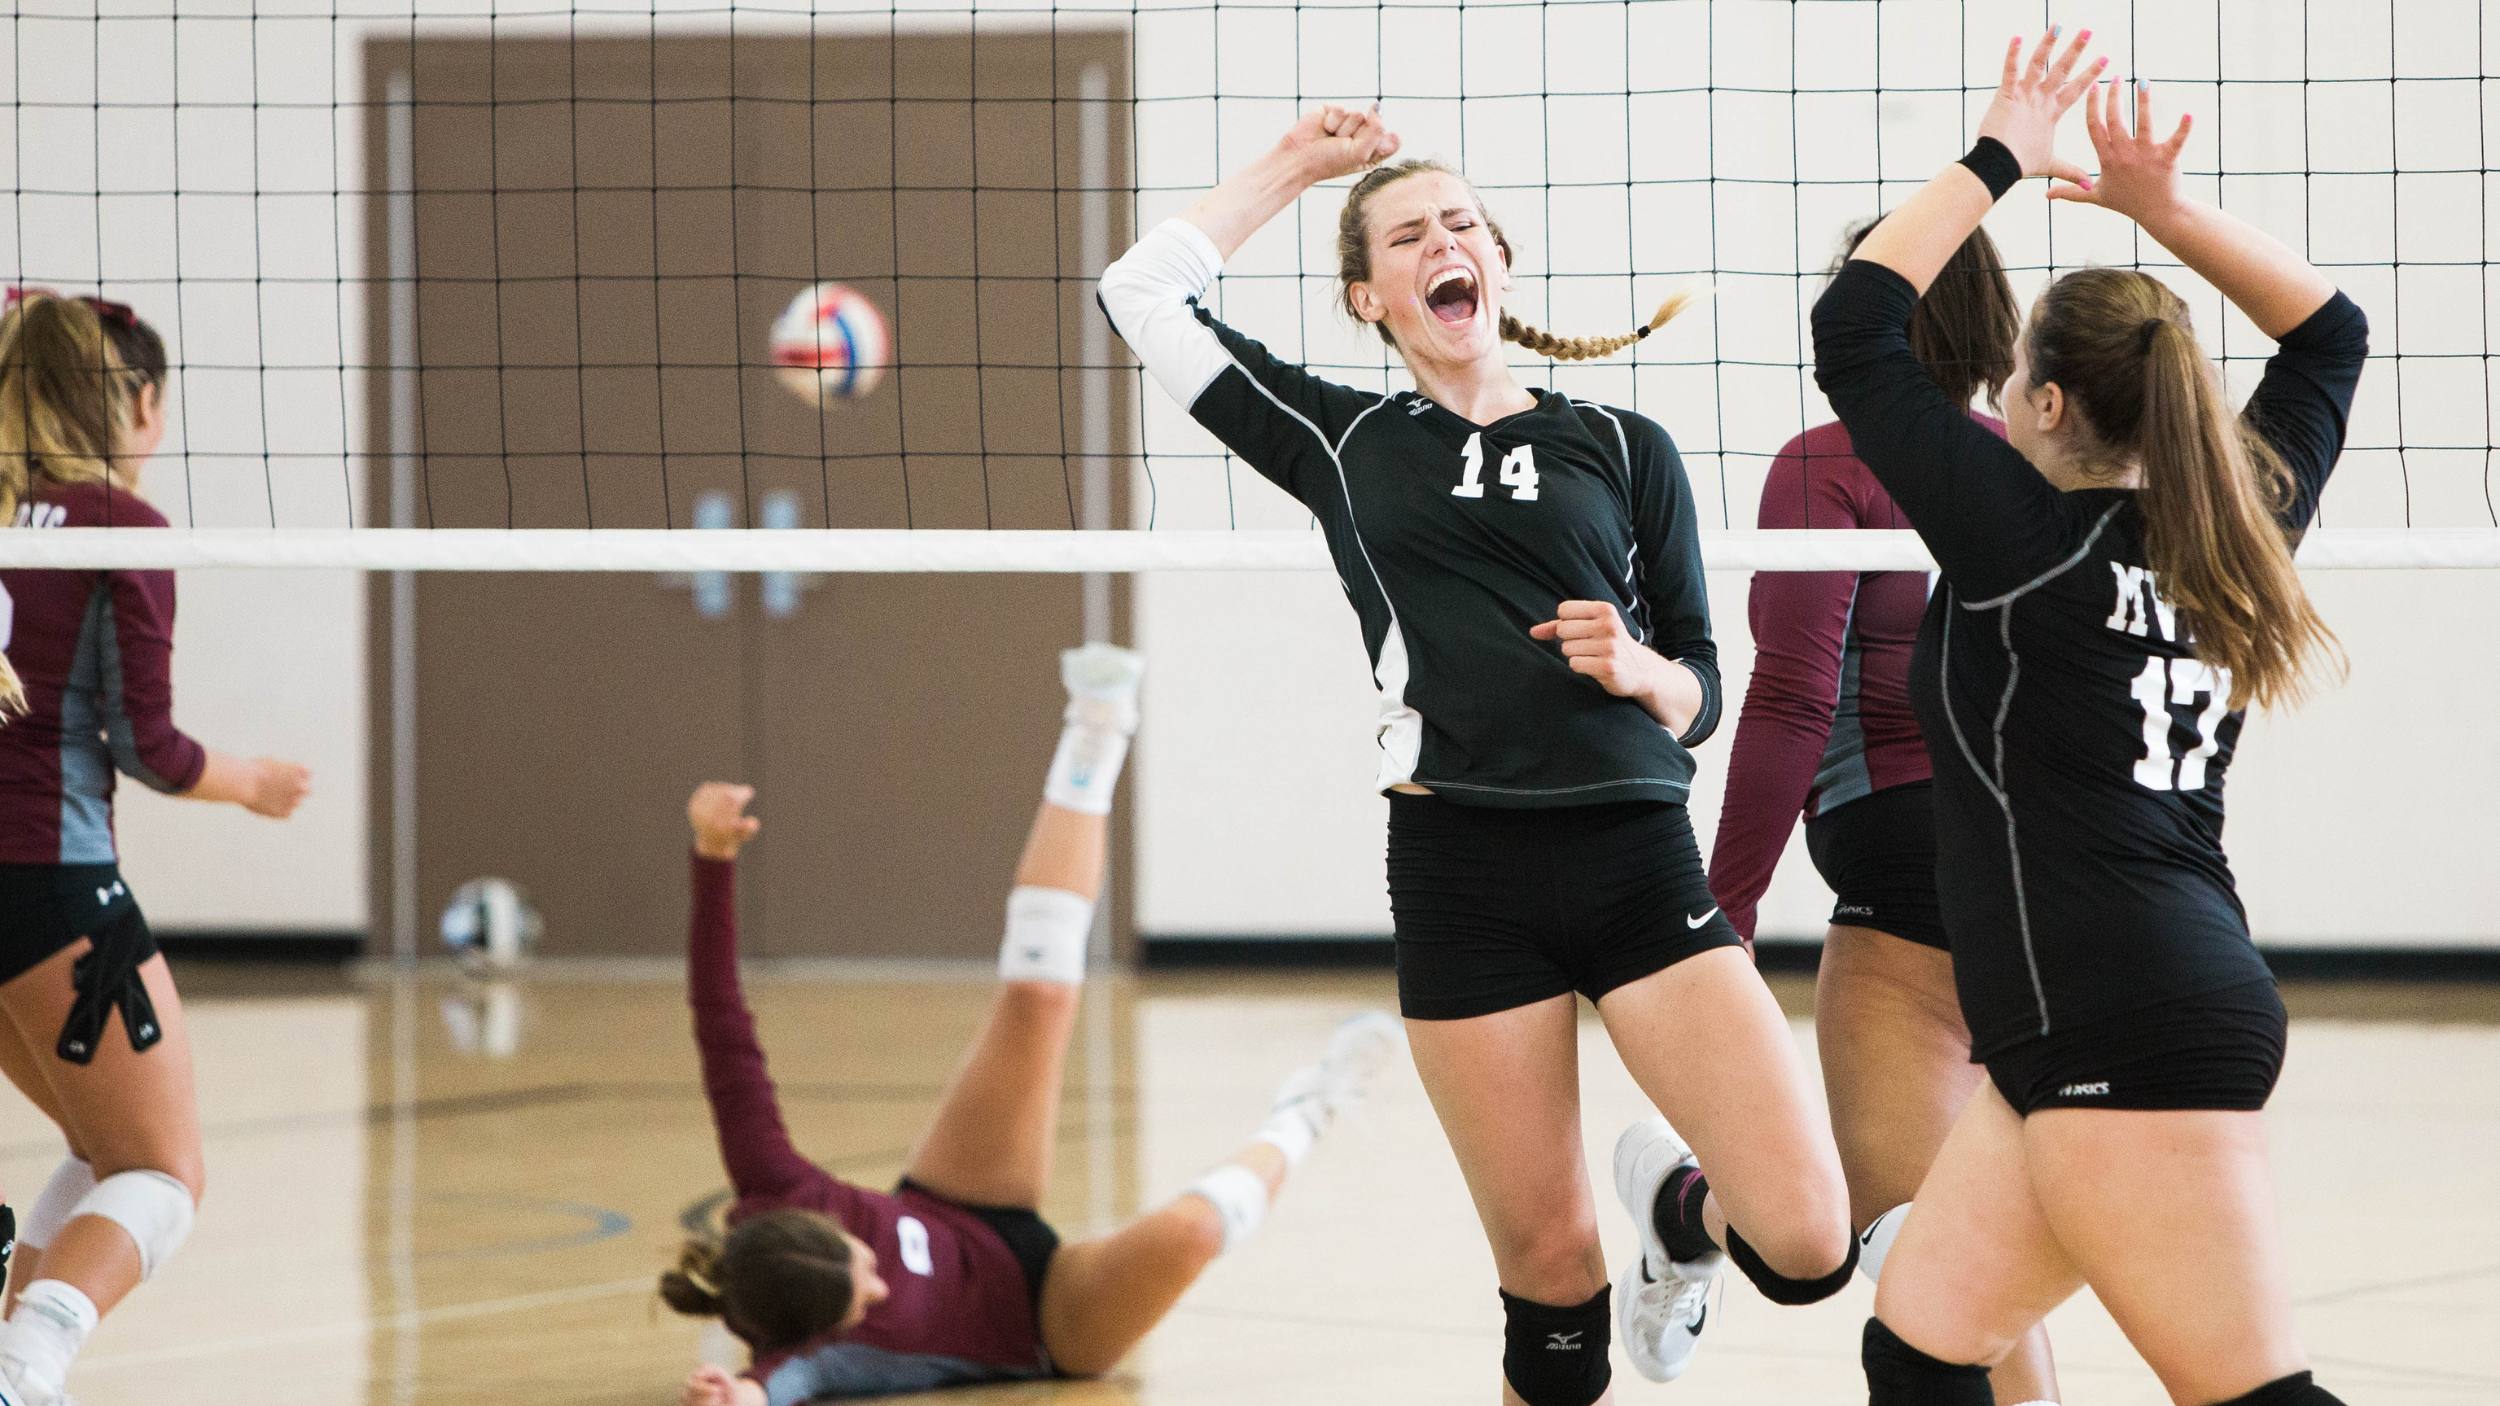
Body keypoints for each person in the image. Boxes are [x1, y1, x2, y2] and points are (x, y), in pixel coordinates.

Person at [1098, 107, 1855, 1404]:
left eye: (1461, 223)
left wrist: (1642, 667)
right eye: (1407, 234)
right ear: (1369, 295)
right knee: (1552, 1290)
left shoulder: (1623, 446)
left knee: (1806, 1242)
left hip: (1633, 853)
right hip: (1462, 870)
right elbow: (1140, 291)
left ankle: (1680, 1215)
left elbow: (1706, 693)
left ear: (1498, 262)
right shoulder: (1342, 441)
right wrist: (1300, 166)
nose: (1442, 242)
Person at [1811, 32, 2366, 1406]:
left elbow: (1855, 324)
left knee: (2250, 1394)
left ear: (2049, 403)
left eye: (2013, 384)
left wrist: (2003, 148)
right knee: (1923, 1352)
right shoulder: (2237, 525)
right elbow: (2331, 334)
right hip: (2094, 1015)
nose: (1997, 401)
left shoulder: (2022, 540)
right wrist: (2158, 210)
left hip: (2122, 1016)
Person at [665, 644, 1399, 1406]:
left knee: (1038, 999)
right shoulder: (813, 1352)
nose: (880, 1284)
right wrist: (735, 1398)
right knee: (1191, 1233)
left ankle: (1098, 725)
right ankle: (1310, 1108)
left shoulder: (771, 1177)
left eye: (862, 1263)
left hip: (955, 1204)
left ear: (815, 1223)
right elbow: (772, 1386)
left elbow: (720, 1023)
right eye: (868, 1299)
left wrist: (712, 859)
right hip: (1047, 1320)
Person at [1708, 223, 2060, 1402]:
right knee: (1967, 1264)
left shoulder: (1830, 461)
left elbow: (1794, 692)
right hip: (2061, 876)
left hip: (1906, 871)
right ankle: (1681, 1210)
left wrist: (1722, 914)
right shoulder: (2039, 460)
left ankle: (1680, 1209)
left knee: (1912, 1252)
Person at [0, 290, 312, 1406]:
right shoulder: (118, 524)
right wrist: (253, 784)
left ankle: (12, 1352)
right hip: (49, 888)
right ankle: (25, 1367)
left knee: (101, 1145)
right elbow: (152, 744)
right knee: (162, 1172)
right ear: (137, 399)